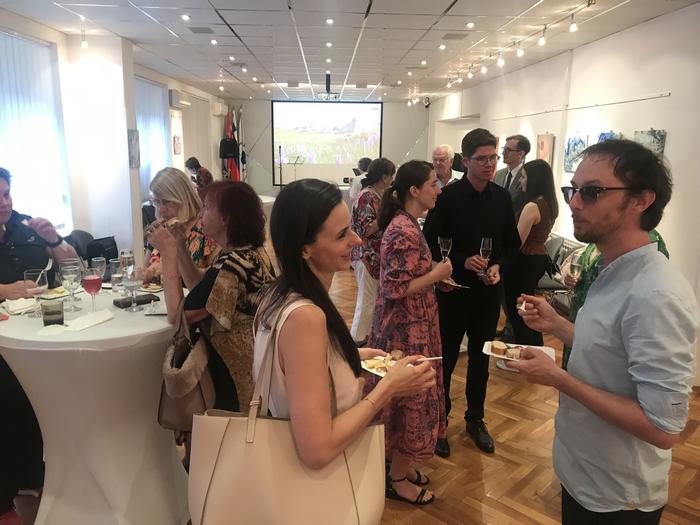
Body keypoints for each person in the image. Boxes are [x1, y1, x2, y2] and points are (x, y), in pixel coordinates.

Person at [510, 139, 698, 524]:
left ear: (640, 200)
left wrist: (559, 379)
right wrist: (559, 326)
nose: (574, 203)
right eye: (573, 190)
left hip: (617, 496)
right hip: (584, 473)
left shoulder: (656, 294)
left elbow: (663, 427)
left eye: (592, 192)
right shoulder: (611, 269)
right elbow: (611, 353)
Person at [252, 179, 436, 506]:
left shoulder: (279, 294)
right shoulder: (306, 317)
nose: (357, 239)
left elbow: (291, 369)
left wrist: (347, 354)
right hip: (315, 491)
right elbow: (318, 449)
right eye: (341, 235)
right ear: (305, 249)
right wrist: (388, 388)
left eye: (350, 228)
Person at [423, 128, 521, 456]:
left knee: (481, 360)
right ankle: (439, 422)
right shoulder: (447, 197)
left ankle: (475, 419)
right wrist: (463, 260)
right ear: (465, 161)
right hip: (452, 293)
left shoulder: (502, 197)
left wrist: (498, 267)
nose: (490, 164)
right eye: (482, 159)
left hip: (486, 295)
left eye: (493, 157)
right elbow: (430, 242)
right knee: (446, 360)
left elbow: (512, 246)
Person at [366, 160, 452, 505]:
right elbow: (394, 288)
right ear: (414, 191)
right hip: (406, 331)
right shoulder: (403, 229)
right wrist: (437, 274)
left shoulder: (407, 224)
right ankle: (398, 479)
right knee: (410, 401)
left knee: (405, 400)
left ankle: (397, 466)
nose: (438, 189)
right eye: (433, 184)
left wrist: (433, 276)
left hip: (413, 325)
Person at [150, 181, 275, 412]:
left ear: (225, 218)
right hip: (254, 370)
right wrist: (180, 246)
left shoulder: (233, 266)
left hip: (236, 383)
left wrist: (167, 253)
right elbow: (202, 289)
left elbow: (177, 316)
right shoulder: (248, 254)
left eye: (207, 208)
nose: (201, 214)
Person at [0, 166, 80, 524]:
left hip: (45, 331)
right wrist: (6, 290)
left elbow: (74, 266)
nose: (4, 203)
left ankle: (46, 481)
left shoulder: (26, 226)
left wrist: (54, 241)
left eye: (6, 194)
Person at [561, 230, 668, 370]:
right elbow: (584, 270)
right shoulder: (599, 239)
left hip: (606, 329)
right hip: (581, 317)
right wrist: (569, 277)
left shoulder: (649, 241)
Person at [502, 159, 558, 346]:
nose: (520, 181)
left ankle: (526, 352)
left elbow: (516, 242)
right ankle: (535, 348)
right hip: (536, 260)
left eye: (524, 177)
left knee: (519, 312)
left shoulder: (532, 206)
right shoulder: (549, 204)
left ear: (534, 179)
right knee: (528, 311)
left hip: (523, 262)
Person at [145, 167, 220, 283]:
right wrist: (148, 272)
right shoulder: (160, 230)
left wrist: (171, 269)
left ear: (184, 197)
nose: (161, 210)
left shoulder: (206, 229)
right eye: (157, 202)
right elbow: (144, 271)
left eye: (167, 201)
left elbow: (218, 277)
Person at [349, 157, 395, 344]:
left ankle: (366, 338)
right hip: (365, 255)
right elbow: (365, 229)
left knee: (372, 300)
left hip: (374, 256)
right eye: (391, 175)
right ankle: (356, 340)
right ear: (384, 177)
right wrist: (388, 213)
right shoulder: (366, 196)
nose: (393, 179)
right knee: (366, 300)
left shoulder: (377, 194)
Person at [494, 134, 530, 218]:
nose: (503, 153)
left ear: (521, 153)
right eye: (503, 149)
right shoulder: (498, 174)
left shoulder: (527, 177)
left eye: (508, 150)